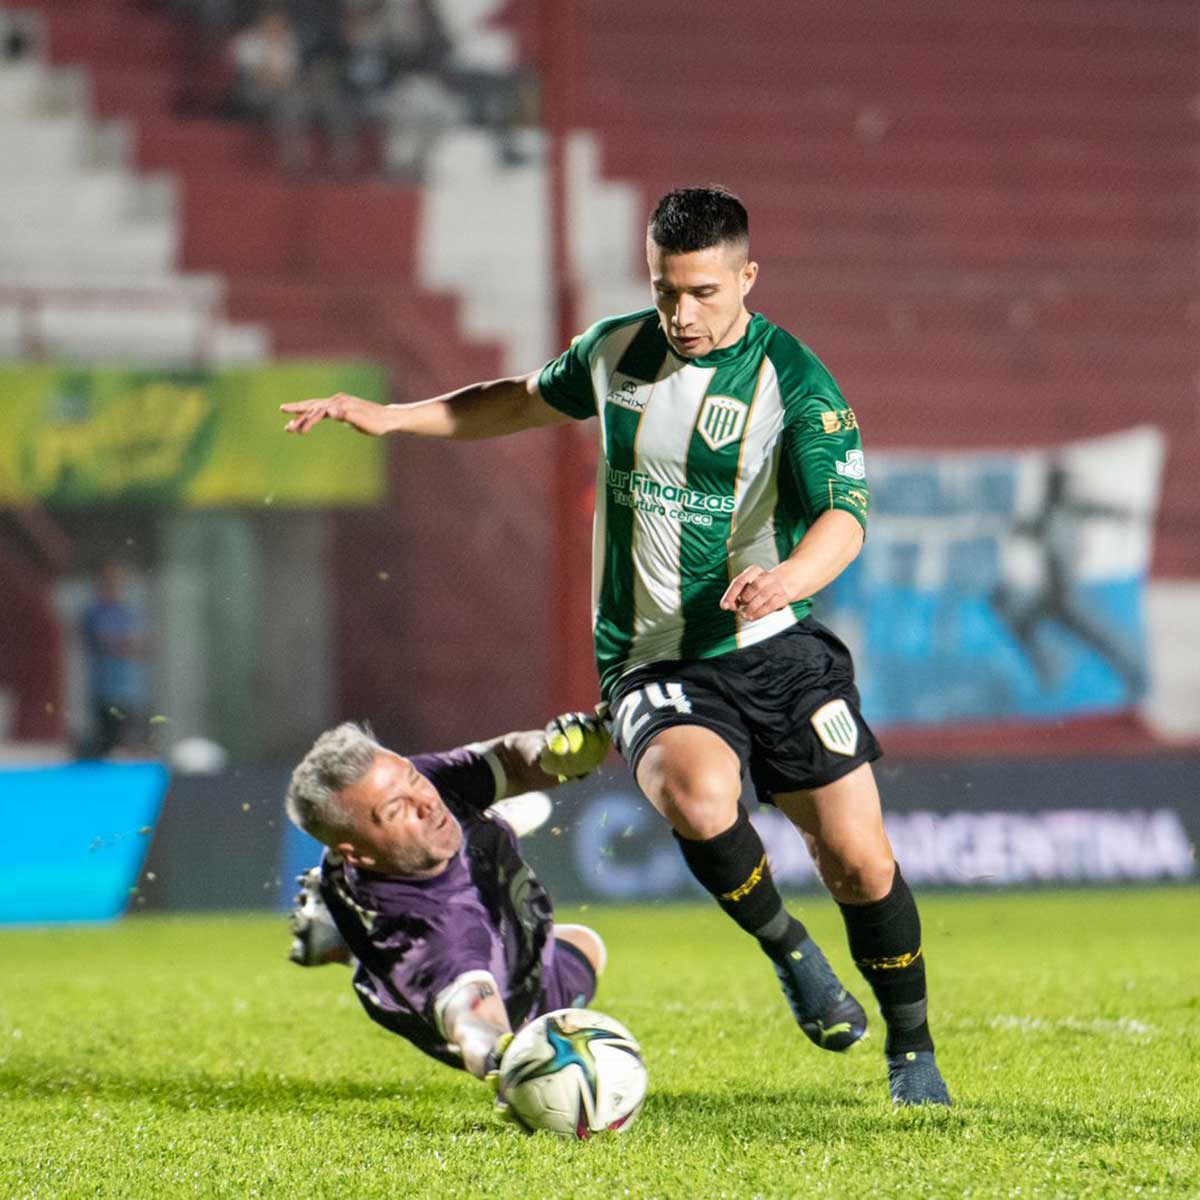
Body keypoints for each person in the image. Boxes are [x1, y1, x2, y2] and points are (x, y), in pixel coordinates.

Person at [280, 185, 950, 1106]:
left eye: (704, 293)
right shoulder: (616, 351)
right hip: (652, 656)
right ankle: (789, 948)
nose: (682, 313)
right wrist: (393, 416)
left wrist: (789, 579)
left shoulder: (793, 380)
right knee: (695, 789)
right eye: (666, 289)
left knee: (860, 861)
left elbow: (845, 515)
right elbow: (514, 399)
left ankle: (912, 1049)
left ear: (747, 278)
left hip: (775, 642)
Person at [284, 709, 611, 1096]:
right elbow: (469, 1016)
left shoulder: (421, 786)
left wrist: (554, 754)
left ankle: (338, 910)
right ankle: (349, 945)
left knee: (584, 940)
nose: (426, 802)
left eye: (413, 779)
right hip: (504, 1006)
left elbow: (507, 757)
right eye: (395, 810)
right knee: (585, 952)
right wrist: (501, 1056)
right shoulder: (431, 934)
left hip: (424, 893)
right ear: (355, 853)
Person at [80, 561, 149, 758]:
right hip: (105, 692)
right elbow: (107, 642)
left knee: (132, 745)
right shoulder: (95, 613)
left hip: (131, 692)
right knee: (108, 744)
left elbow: (142, 645)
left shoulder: (128, 611)